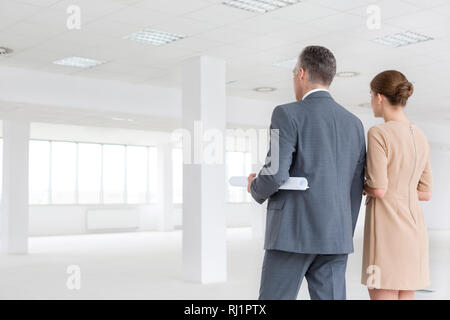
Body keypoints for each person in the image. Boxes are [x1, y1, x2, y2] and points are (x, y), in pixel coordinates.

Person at [247, 46, 366, 300]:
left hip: (292, 233)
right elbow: (355, 188)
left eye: (293, 73)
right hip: (335, 235)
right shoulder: (354, 124)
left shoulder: (287, 113)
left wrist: (255, 186)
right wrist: (343, 230)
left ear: (301, 73)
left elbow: (276, 172)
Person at [361, 70, 433, 300]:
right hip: (414, 233)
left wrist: (362, 185)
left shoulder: (378, 133)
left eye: (371, 94)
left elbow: (379, 188)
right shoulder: (420, 135)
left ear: (380, 97)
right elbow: (426, 192)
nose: (371, 100)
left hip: (386, 233)